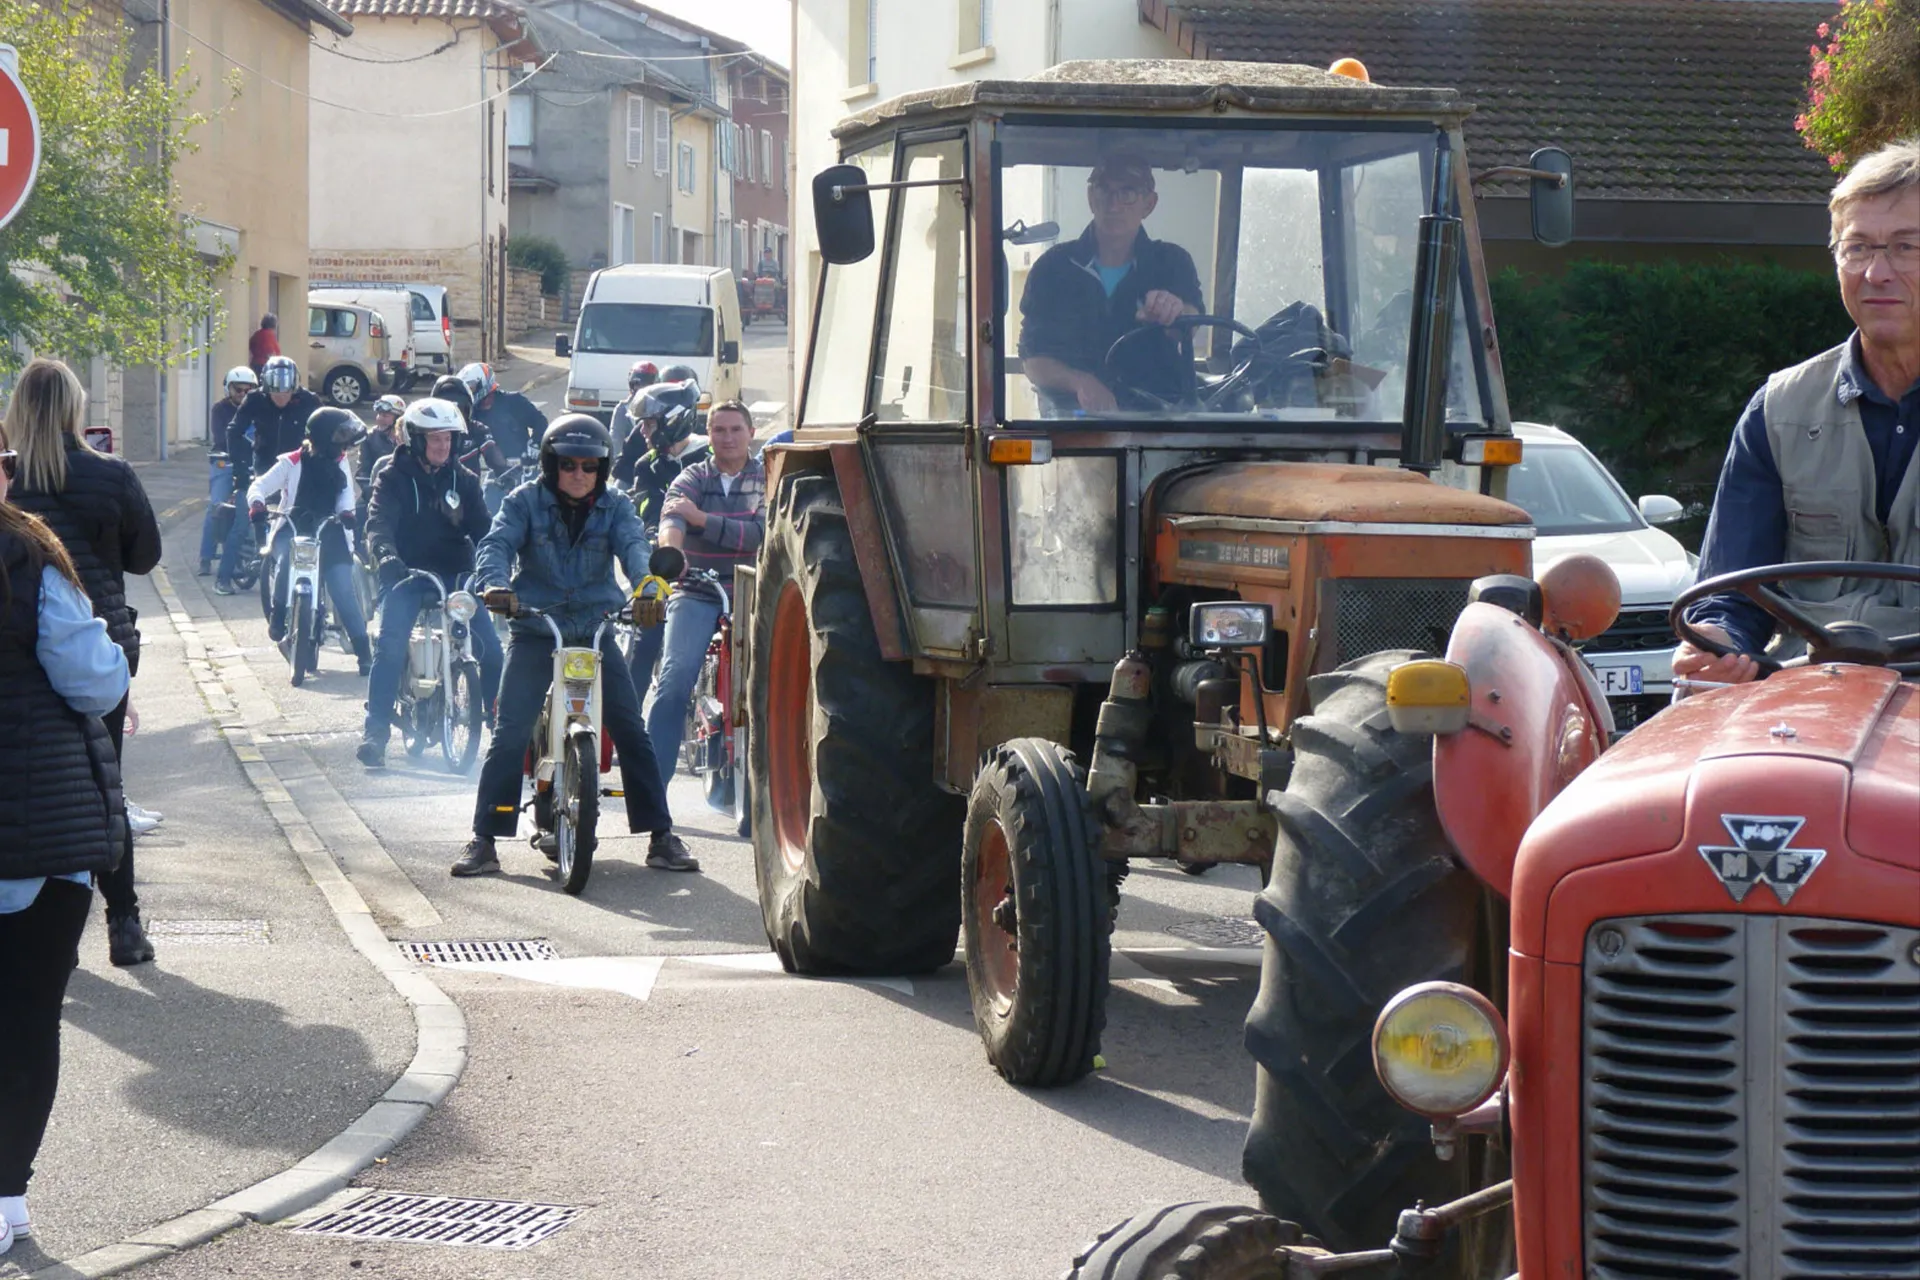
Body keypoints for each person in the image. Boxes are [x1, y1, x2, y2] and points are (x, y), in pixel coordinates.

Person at [1677, 137, 1920, 683]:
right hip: (1807, 701)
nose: (1877, 273)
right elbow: (1731, 592)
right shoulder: (1779, 411)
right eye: (1857, 248)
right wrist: (1717, 639)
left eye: (1907, 247)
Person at [0, 420, 130, 1256]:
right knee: (25, 1022)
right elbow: (94, 680)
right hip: (38, 838)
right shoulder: (28, 559)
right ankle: (6, 1202)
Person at [462, 415, 697, 876]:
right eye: (568, 464)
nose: (579, 474)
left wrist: (648, 591)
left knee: (631, 728)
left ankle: (661, 836)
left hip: (595, 627)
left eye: (590, 466)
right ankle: (484, 839)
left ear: (602, 469)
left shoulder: (617, 506)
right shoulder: (523, 501)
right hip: (536, 627)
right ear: (551, 464)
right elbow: (495, 546)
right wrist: (494, 585)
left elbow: (635, 549)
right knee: (508, 732)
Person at [5, 358, 162, 967]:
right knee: (103, 786)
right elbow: (144, 556)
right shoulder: (108, 475)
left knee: (23, 784)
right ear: (75, 407)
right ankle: (122, 923)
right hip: (98, 649)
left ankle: (42, 926)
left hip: (14, 644)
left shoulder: (9, 480)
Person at [357, 399, 504, 769]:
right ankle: (375, 733)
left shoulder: (465, 481)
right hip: (407, 575)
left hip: (457, 577)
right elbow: (377, 524)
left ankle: (499, 728)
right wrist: (386, 556)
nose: (444, 447)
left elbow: (485, 531)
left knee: (493, 649)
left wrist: (498, 561)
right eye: (435, 439)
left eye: (449, 439)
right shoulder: (391, 478)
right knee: (389, 648)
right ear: (415, 440)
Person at [1017, 150, 1203, 415]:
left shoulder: (1173, 262)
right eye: (1105, 192)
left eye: (1127, 194)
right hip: (1072, 428)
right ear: (1091, 198)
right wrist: (1080, 382)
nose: (1113, 205)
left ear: (1149, 204)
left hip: (1159, 424)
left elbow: (1191, 323)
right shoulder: (1053, 267)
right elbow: (1033, 359)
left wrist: (1173, 312)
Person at [642, 401, 764, 786]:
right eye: (718, 430)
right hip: (698, 589)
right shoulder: (692, 475)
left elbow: (759, 535)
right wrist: (673, 551)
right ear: (707, 436)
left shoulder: (768, 479)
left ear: (751, 433)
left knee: (772, 685)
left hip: (754, 591)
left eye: (735, 429)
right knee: (674, 683)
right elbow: (673, 515)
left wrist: (702, 521)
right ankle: (652, 790)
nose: (727, 437)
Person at [248, 406, 372, 674]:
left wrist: (347, 514)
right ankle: (278, 616)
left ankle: (364, 653)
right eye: (339, 438)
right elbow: (258, 486)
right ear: (325, 437)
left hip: (329, 529)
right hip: (292, 527)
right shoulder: (290, 461)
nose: (344, 446)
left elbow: (346, 496)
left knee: (342, 590)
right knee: (283, 564)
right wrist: (257, 504)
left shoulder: (340, 463)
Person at [233, 354, 322, 495]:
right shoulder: (254, 399)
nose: (281, 397)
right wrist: (241, 467)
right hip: (265, 464)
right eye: (275, 392)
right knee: (257, 505)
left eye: (286, 392)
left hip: (298, 465)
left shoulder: (309, 401)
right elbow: (234, 431)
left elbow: (324, 431)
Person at [199, 365, 258, 578]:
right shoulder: (220, 409)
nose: (242, 394)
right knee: (216, 505)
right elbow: (222, 438)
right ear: (228, 389)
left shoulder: (257, 408)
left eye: (247, 390)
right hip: (224, 461)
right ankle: (206, 557)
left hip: (251, 462)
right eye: (238, 390)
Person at [458, 361, 548, 466]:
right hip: (489, 474)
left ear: (483, 382)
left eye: (471, 388)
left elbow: (540, 421)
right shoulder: (471, 414)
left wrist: (536, 443)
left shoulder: (514, 401)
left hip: (522, 468)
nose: (469, 392)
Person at [356, 394, 408, 528]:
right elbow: (362, 471)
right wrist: (372, 492)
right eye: (379, 414)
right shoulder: (369, 438)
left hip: (405, 491)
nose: (380, 419)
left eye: (385, 415)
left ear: (397, 419)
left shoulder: (409, 437)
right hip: (377, 490)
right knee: (359, 512)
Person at [608, 361, 660, 480]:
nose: (640, 388)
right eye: (637, 384)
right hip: (630, 465)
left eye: (645, 385)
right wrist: (615, 462)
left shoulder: (660, 407)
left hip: (656, 464)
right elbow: (615, 438)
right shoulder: (622, 409)